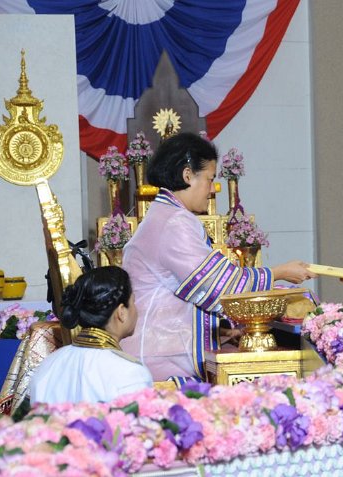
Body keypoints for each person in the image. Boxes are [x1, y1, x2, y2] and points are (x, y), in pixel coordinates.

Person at [121, 132, 315, 382]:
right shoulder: (174, 222)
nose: (213, 190)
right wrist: (279, 273)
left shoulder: (163, 215)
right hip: (164, 356)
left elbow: (192, 291)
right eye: (210, 179)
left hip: (160, 348)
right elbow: (221, 286)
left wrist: (222, 331)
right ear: (187, 175)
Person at [29, 266, 153, 404]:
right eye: (133, 302)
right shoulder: (130, 372)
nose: (136, 310)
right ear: (121, 312)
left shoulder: (49, 363)